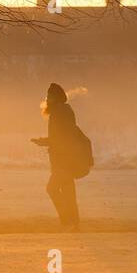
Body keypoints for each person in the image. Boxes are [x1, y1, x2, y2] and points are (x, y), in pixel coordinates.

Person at [31, 83, 84, 229]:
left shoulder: (59, 112)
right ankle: (73, 223)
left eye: (50, 97)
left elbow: (62, 137)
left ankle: (67, 221)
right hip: (65, 159)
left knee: (52, 189)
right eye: (48, 96)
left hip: (64, 160)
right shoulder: (63, 111)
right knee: (68, 192)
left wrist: (44, 142)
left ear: (56, 98)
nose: (47, 100)